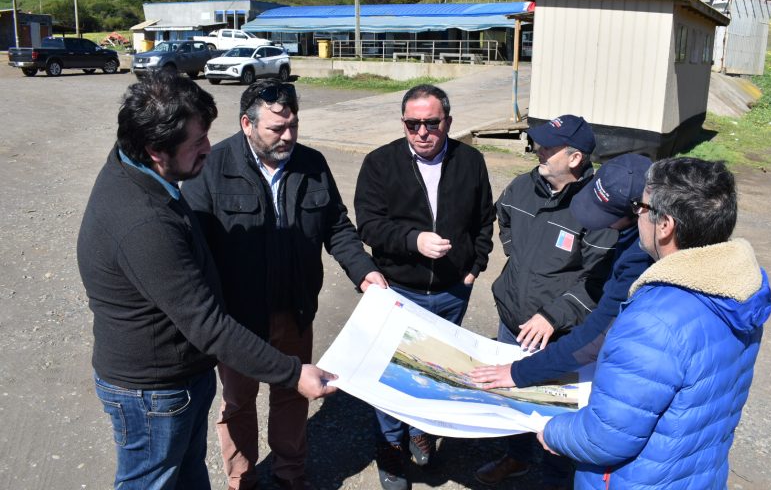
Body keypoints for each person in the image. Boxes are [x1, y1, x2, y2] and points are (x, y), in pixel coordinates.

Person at [76, 71, 336, 490]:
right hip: (154, 392)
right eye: (196, 142)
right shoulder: (144, 221)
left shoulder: (139, 168)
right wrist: (292, 372)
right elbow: (207, 324)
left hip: (181, 377)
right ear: (156, 150)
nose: (208, 150)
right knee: (152, 480)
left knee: (187, 473)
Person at [182, 78, 386, 490]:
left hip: (295, 312)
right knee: (238, 402)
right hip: (237, 321)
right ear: (246, 124)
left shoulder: (312, 164)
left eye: (293, 125)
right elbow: (193, 248)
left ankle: (290, 474)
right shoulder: (213, 167)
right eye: (277, 128)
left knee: (293, 395)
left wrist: (365, 271)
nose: (288, 136)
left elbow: (337, 227)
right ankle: (242, 478)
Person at [538, 157, 771, 490]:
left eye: (642, 207)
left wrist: (554, 431)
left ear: (666, 225)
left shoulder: (654, 320)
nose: (637, 214)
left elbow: (607, 437)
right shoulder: (739, 289)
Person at [470, 153, 655, 489]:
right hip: (518, 317)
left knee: (560, 418)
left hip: (571, 342)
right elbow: (506, 217)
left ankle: (556, 479)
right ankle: (518, 458)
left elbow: (595, 335)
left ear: (641, 211)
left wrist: (518, 371)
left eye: (606, 217)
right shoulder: (633, 233)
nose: (599, 223)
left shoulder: (637, 259)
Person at [354, 84, 495, 490]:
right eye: (412, 124)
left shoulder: (470, 160)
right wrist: (413, 240)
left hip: (452, 291)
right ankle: (391, 447)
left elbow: (484, 220)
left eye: (430, 123)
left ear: (447, 122)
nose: (421, 132)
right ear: (403, 123)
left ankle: (420, 430)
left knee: (432, 372)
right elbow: (369, 225)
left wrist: (475, 266)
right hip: (400, 290)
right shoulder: (380, 163)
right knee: (390, 373)